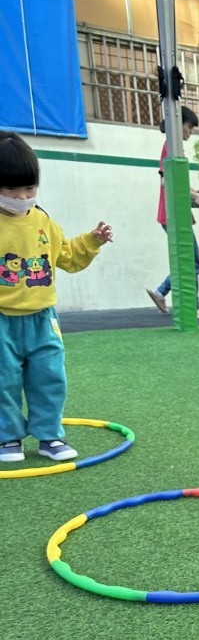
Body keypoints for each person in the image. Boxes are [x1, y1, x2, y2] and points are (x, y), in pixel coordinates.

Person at [0, 132, 113, 464]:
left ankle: (50, 436)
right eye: (11, 189)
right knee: (4, 380)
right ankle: (7, 437)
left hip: (43, 318)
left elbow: (67, 257)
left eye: (29, 188)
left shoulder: (44, 222)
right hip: (3, 319)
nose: (22, 197)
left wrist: (92, 241)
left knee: (49, 376)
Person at [146, 106, 199, 321]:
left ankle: (161, 292)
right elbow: (167, 181)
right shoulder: (171, 148)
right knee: (191, 262)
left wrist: (197, 194)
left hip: (174, 214)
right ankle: (192, 307)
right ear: (178, 125)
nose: (190, 132)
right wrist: (195, 196)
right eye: (189, 127)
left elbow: (177, 181)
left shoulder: (173, 148)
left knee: (186, 261)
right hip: (173, 215)